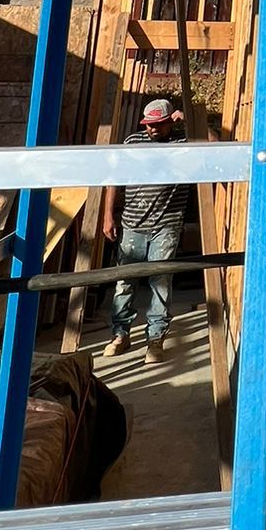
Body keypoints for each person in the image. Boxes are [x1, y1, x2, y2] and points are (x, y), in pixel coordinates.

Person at [103, 96, 194, 364]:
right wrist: (108, 215)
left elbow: (213, 143)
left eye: (159, 124)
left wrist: (189, 119)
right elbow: (114, 179)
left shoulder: (184, 144)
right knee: (124, 282)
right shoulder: (133, 143)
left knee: (160, 282)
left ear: (170, 122)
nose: (153, 129)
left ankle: (155, 339)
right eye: (149, 125)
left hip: (166, 224)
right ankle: (120, 335)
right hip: (133, 224)